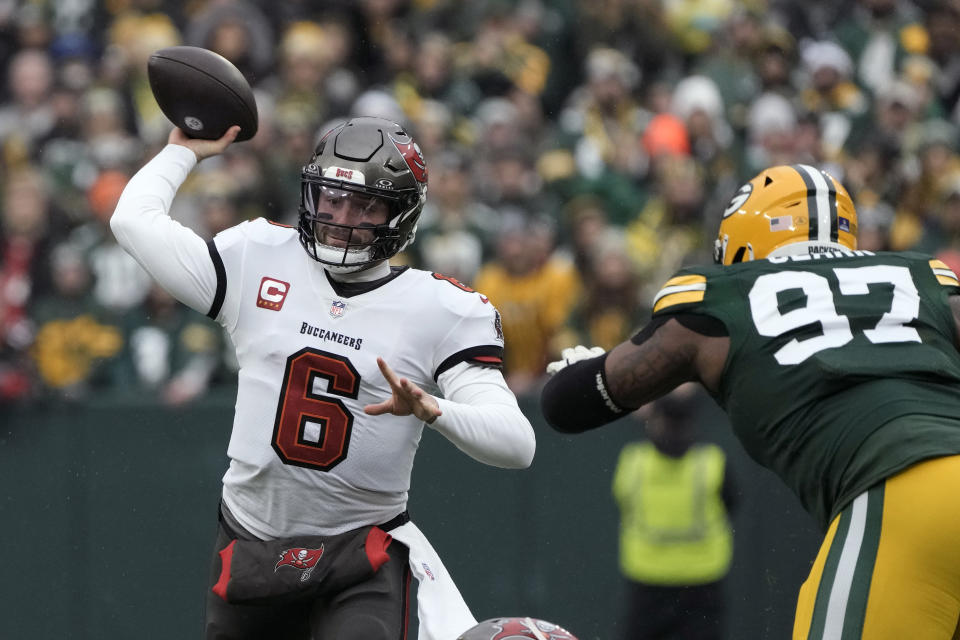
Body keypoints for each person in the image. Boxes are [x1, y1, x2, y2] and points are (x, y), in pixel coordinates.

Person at [110, 117, 536, 640]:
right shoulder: (259, 257)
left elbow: (517, 443)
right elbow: (132, 221)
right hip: (250, 541)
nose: (339, 217)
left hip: (361, 552)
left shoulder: (442, 308)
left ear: (401, 214)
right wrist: (181, 153)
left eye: (363, 205)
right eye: (331, 197)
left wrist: (433, 408)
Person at [541, 164, 960, 639]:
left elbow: (565, 406)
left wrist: (591, 370)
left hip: (900, 490)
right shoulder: (926, 276)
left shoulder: (723, 299)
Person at [612, 384, 735, 640]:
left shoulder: (633, 461)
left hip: (648, 580)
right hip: (702, 582)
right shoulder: (712, 462)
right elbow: (732, 505)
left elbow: (622, 500)